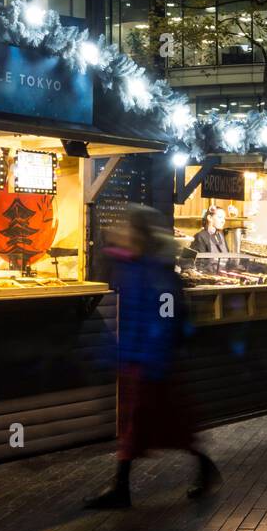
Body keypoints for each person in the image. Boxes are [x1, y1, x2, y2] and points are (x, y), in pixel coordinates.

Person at [86, 205, 219, 509]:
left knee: (156, 425)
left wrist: (152, 359)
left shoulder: (158, 274)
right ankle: (200, 469)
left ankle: (123, 488)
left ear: (140, 234)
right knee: (154, 426)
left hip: (151, 363)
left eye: (128, 228)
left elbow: (165, 321)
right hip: (136, 360)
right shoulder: (130, 266)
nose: (121, 232)